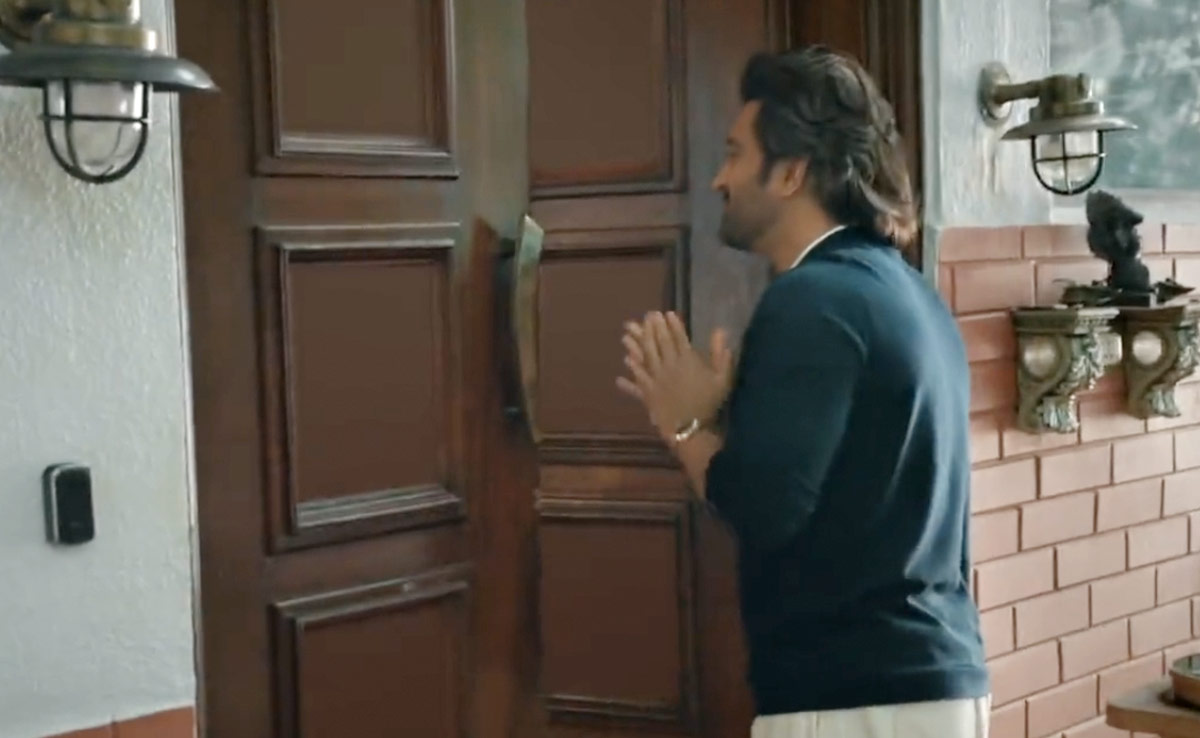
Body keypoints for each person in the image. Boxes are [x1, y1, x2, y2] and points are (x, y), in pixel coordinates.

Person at [616, 46, 990, 738]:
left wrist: (685, 425)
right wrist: (732, 412)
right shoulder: (907, 290)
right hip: (930, 683)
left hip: (854, 700)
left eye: (735, 154)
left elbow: (762, 507)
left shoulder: (811, 300)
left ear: (791, 172)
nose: (718, 178)